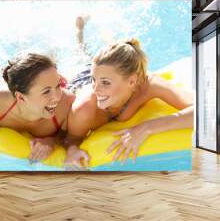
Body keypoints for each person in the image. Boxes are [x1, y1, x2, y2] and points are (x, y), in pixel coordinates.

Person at [64, 20, 194, 167]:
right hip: (82, 79)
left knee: (104, 65)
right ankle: (79, 30)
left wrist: (146, 128)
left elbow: (199, 112)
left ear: (132, 82)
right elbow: (70, 139)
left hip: (108, 70)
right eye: (95, 82)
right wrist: (72, 149)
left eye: (105, 83)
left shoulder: (147, 85)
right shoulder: (84, 108)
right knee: (82, 56)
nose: (96, 89)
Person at [0, 53, 75, 163]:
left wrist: (53, 141)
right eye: (46, 91)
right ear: (21, 97)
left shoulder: (67, 104)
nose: (57, 97)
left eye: (58, 86)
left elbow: (70, 136)